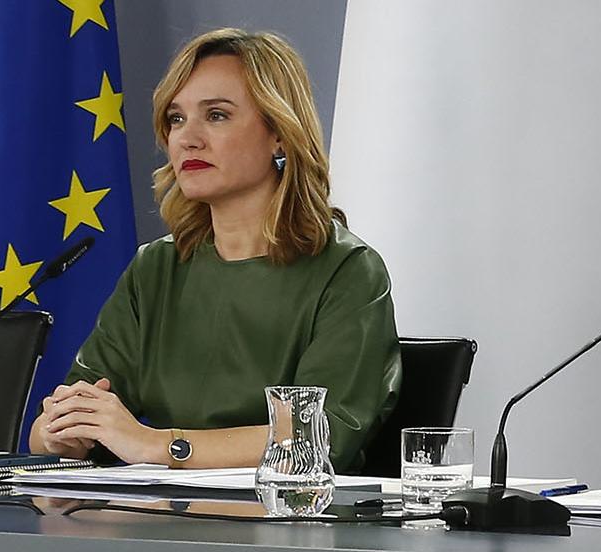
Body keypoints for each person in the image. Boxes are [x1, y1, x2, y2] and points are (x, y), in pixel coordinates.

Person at [28, 28, 401, 470]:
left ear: (280, 134)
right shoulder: (156, 268)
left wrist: (156, 445)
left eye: (217, 116)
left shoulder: (348, 271)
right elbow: (64, 423)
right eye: (176, 119)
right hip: (159, 522)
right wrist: (62, 432)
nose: (187, 138)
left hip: (288, 523)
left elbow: (318, 438)